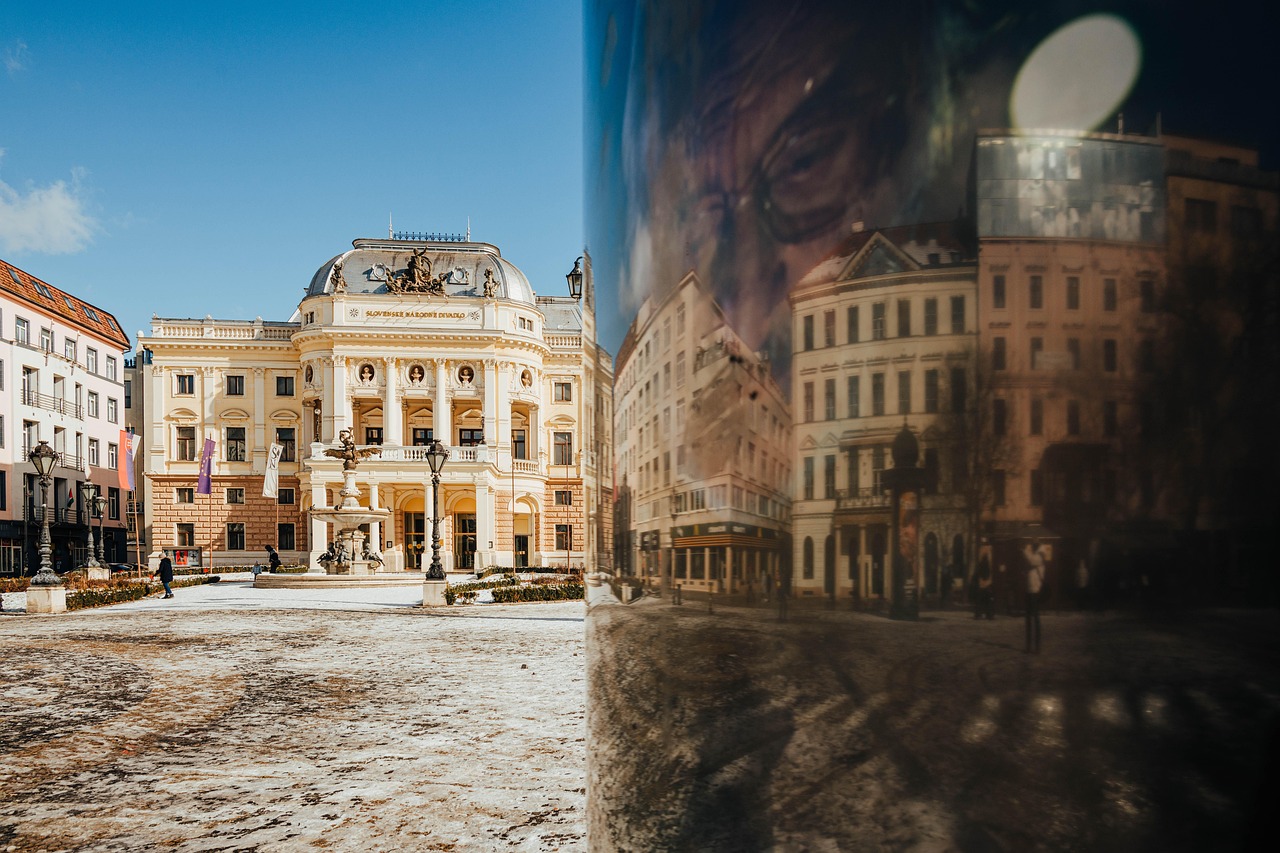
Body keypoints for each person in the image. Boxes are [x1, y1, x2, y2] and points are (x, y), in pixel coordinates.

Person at [1023, 540, 1047, 653]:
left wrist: (1025, 551)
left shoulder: (1040, 555)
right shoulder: (1035, 555)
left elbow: (1032, 561)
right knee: (1028, 619)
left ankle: (1037, 647)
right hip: (1029, 589)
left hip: (1036, 590)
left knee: (1035, 618)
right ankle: (1029, 646)